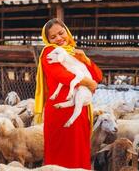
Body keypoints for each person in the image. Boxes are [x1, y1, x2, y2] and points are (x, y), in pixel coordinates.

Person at [34, 18, 102, 169]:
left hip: (80, 109)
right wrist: (88, 83)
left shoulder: (75, 52)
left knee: (79, 151)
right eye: (53, 37)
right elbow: (62, 76)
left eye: (61, 33)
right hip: (61, 111)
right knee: (62, 155)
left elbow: (97, 76)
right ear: (48, 40)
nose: (59, 38)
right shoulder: (49, 52)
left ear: (67, 32)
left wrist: (85, 60)